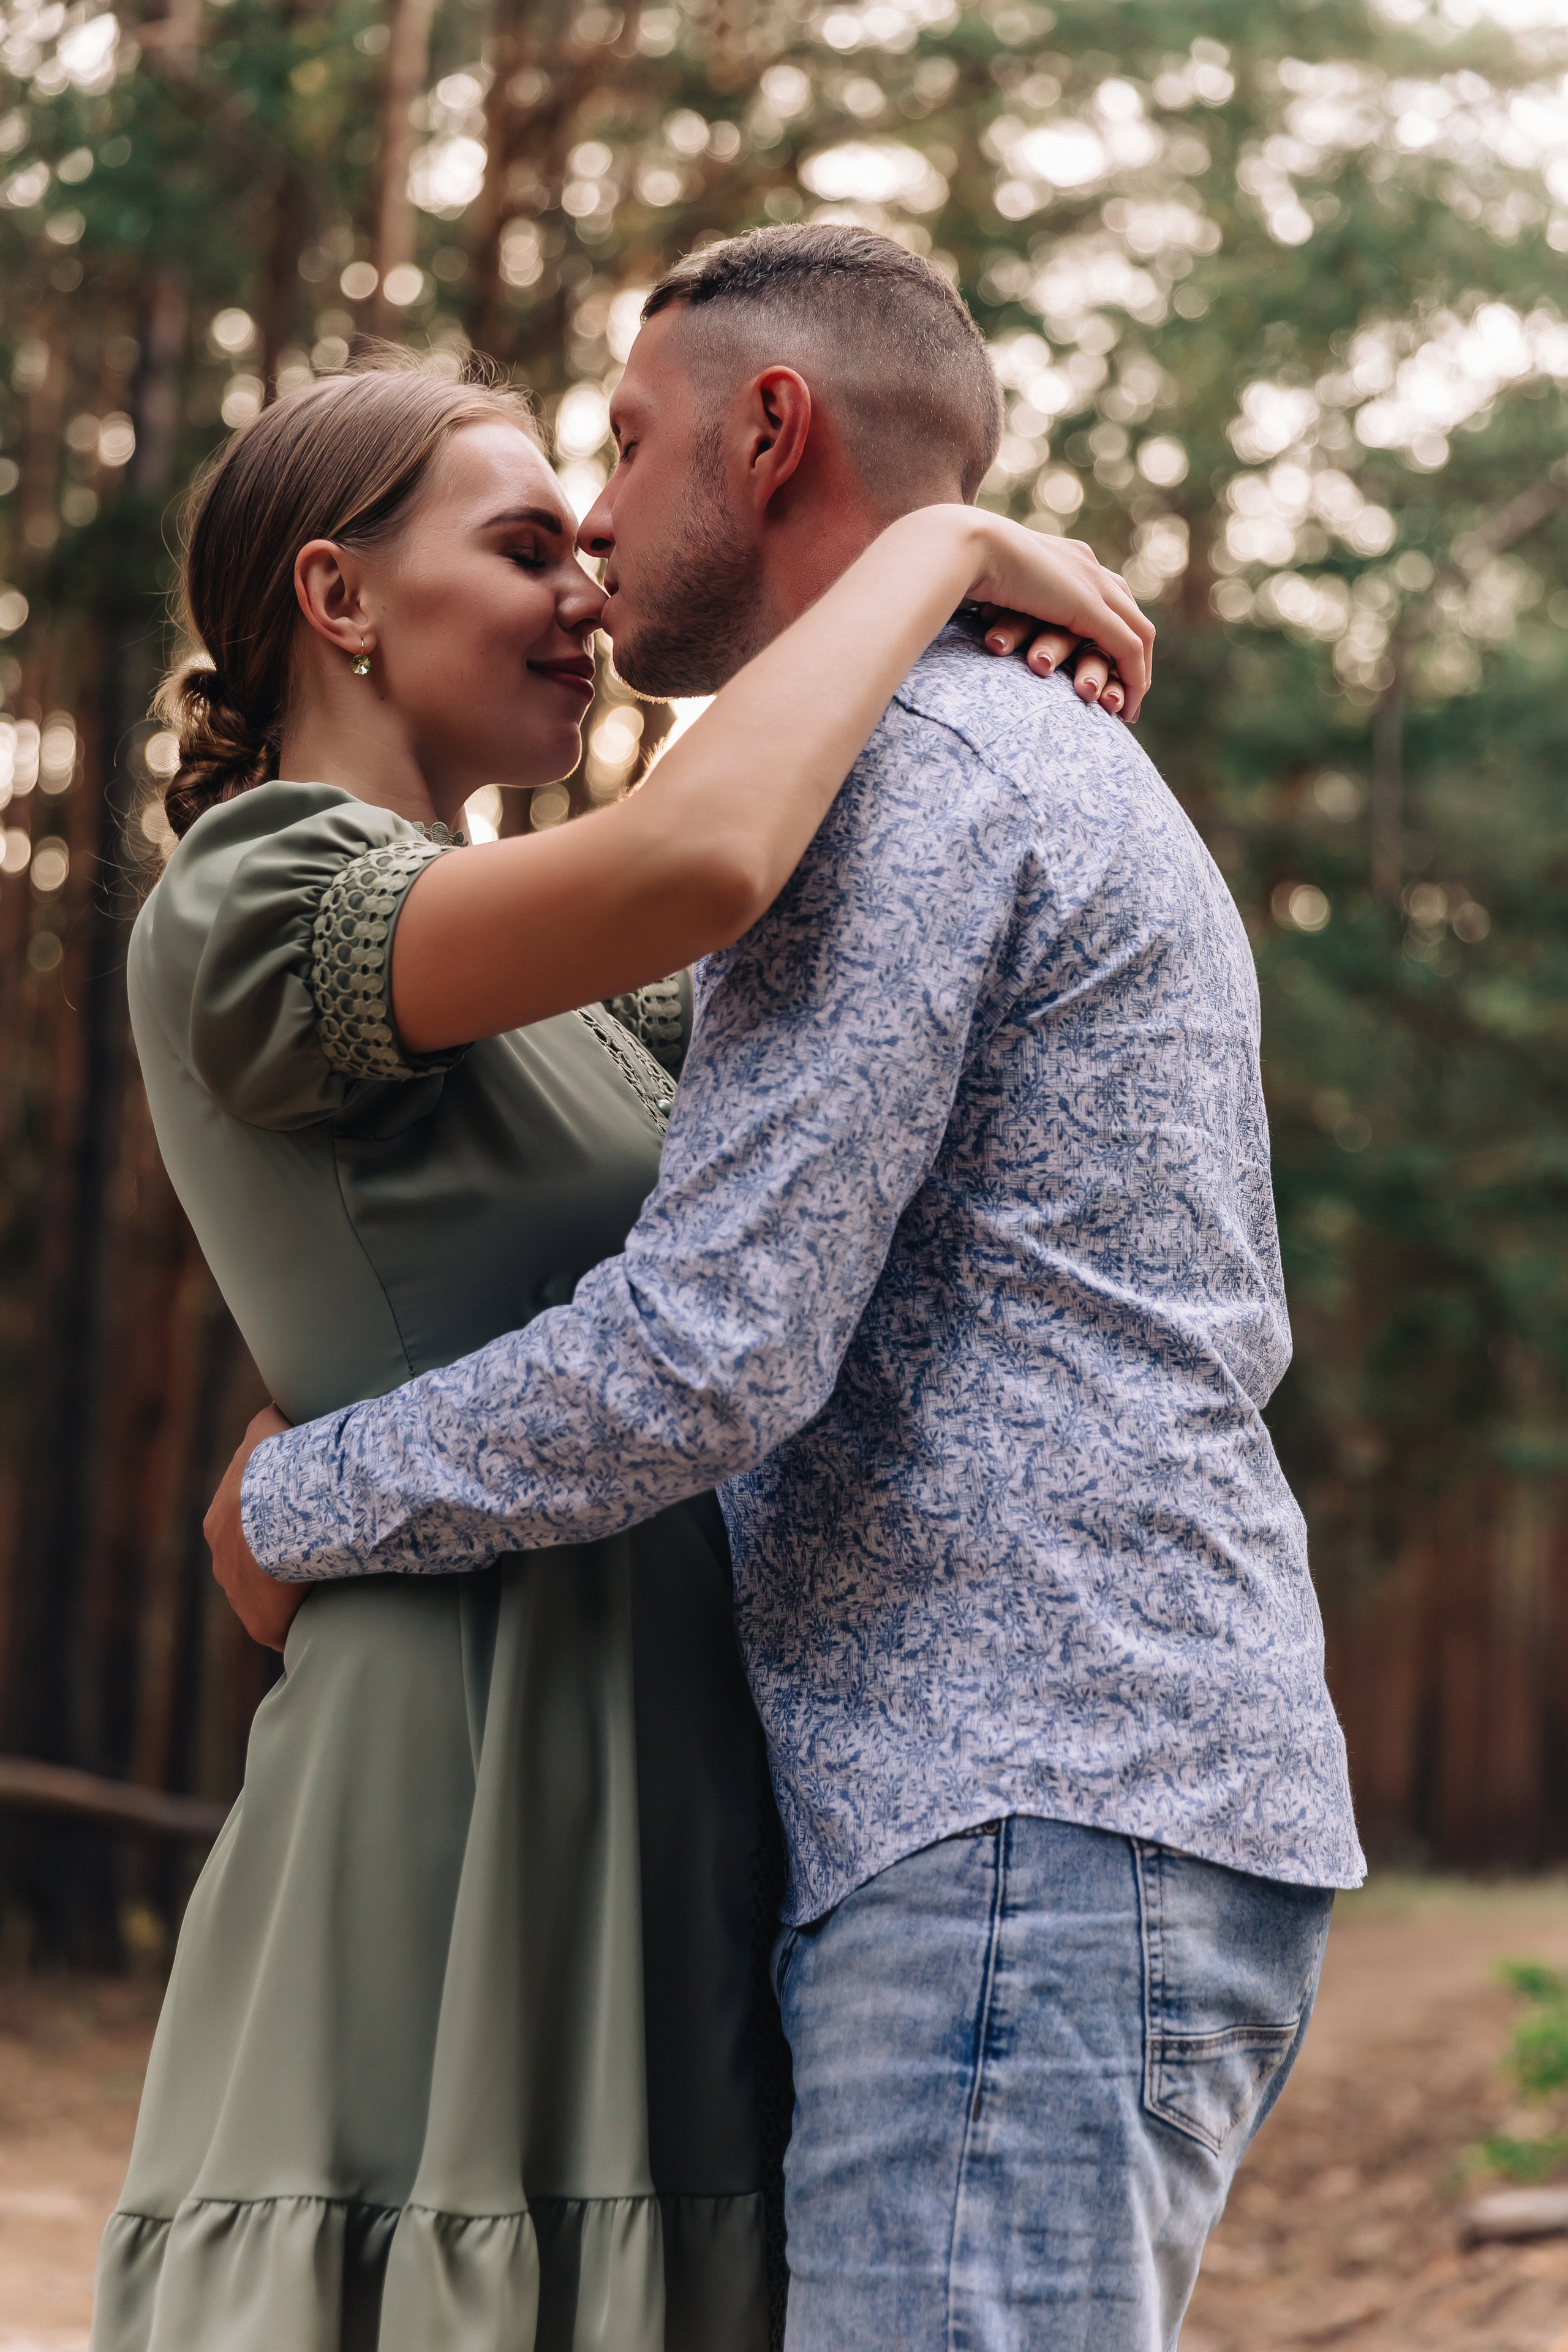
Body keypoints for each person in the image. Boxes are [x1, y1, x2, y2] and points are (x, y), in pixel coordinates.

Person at [213, 225, 1366, 2349]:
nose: (599, 541)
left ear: (773, 437)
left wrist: (294, 1498)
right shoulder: (973, 763)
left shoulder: (915, 781)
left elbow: (707, 1351)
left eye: (630, 452)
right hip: (1081, 1799)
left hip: (1015, 1814)